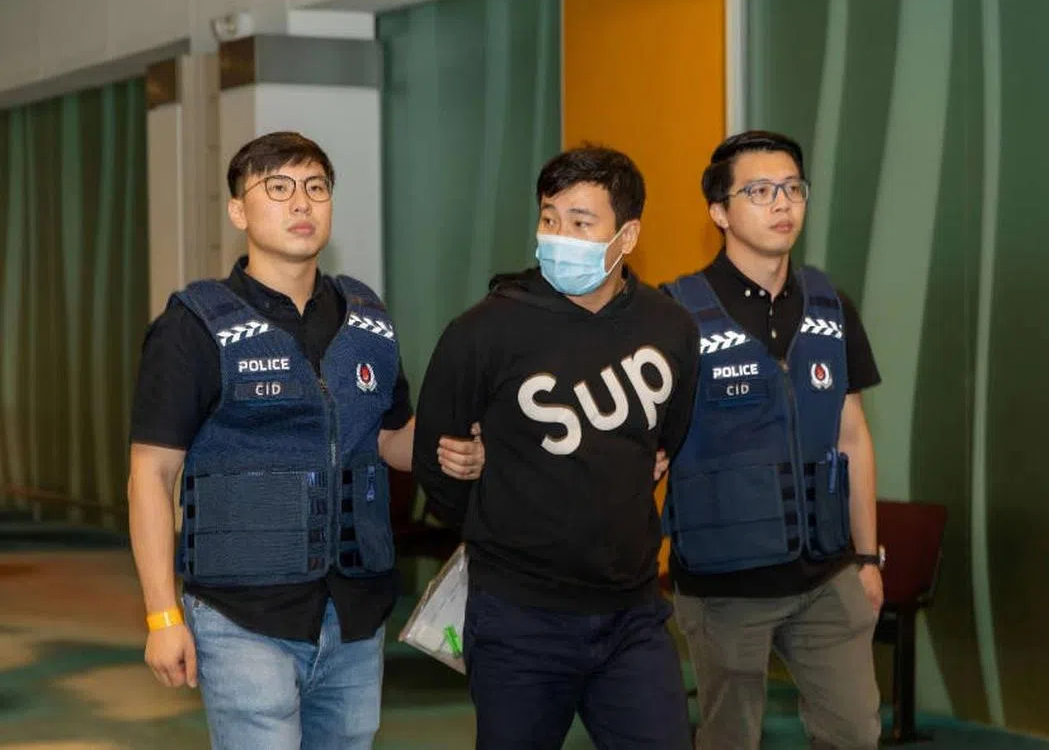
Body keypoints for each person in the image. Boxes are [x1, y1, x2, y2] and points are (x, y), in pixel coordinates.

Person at [127, 131, 484, 750]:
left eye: (316, 188)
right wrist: (162, 615)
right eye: (279, 188)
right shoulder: (194, 326)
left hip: (355, 612)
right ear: (238, 211)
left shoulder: (367, 318)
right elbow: (150, 476)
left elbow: (390, 438)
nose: (301, 203)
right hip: (244, 614)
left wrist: (455, 442)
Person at [412, 145, 700, 750]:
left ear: (627, 235)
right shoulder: (483, 331)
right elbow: (437, 465)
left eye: (581, 222)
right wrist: (496, 516)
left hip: (632, 614)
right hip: (519, 617)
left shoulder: (671, 327)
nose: (560, 236)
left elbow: (662, 442)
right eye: (550, 218)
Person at [662, 130, 884, 750]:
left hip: (826, 576)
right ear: (719, 211)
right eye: (759, 191)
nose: (782, 203)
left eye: (792, 188)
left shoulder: (831, 306)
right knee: (730, 738)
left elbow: (853, 436)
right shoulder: (675, 315)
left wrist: (868, 560)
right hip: (725, 585)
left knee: (855, 732)